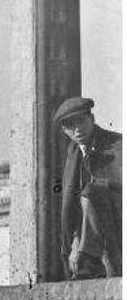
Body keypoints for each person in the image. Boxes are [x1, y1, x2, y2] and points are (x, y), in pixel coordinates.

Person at [54, 96, 122, 280]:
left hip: (118, 225)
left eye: (81, 122)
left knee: (92, 192)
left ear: (92, 120)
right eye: (70, 125)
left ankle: (87, 263)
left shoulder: (118, 145)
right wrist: (75, 240)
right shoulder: (72, 156)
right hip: (89, 234)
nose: (77, 130)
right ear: (64, 130)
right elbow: (72, 207)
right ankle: (84, 261)